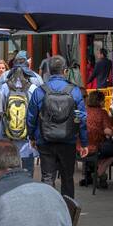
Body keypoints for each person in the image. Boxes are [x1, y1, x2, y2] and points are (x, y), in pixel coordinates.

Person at [27, 54, 87, 199]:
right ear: (65, 71)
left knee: (47, 177)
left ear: (48, 71)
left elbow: (30, 118)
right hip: (68, 140)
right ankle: (68, 213)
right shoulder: (74, 91)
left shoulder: (40, 91)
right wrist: (84, 142)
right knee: (67, 178)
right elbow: (81, 118)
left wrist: (32, 137)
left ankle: (50, 213)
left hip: (45, 140)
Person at [0, 63, 39, 177]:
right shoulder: (33, 88)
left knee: (10, 166)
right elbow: (36, 113)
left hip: (9, 135)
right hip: (27, 136)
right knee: (27, 169)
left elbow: (0, 111)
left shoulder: (5, 87)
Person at [79, 90, 113, 187]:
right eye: (103, 100)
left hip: (80, 147)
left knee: (104, 149)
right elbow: (108, 131)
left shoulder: (82, 111)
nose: (104, 102)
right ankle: (100, 172)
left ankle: (94, 173)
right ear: (99, 101)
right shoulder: (102, 113)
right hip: (96, 147)